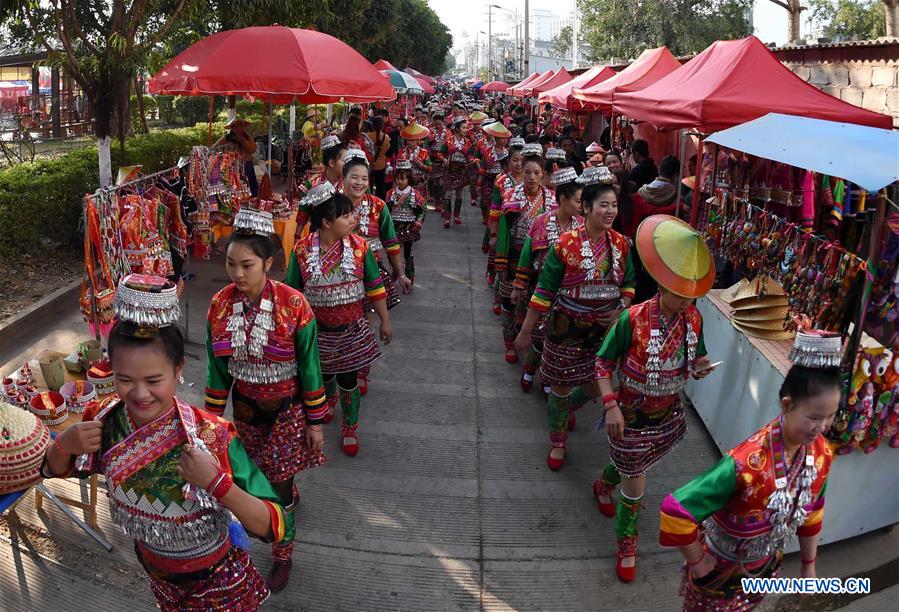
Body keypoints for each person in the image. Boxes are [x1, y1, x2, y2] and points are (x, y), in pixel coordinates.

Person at [44, 275, 286, 610]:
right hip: (156, 574)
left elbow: (275, 524)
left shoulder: (210, 436)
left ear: (178, 369)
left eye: (154, 380)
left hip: (218, 581)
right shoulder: (103, 420)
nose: (140, 394)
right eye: (124, 379)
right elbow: (53, 469)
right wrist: (63, 445)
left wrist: (217, 484)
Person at [659, 321, 839, 610]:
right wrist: (697, 560)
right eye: (814, 416)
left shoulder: (821, 455)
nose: (823, 426)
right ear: (787, 405)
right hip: (718, 574)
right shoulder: (745, 464)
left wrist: (808, 567)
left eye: (830, 416)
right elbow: (675, 511)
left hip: (764, 569)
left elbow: (812, 512)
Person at [204, 206, 327, 590]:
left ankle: (282, 553)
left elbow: (309, 366)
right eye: (230, 265)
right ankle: (286, 493)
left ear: (269, 263)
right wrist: (209, 424)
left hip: (287, 412)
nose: (238, 274)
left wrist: (316, 421)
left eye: (247, 265)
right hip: (244, 412)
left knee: (275, 488)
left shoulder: (294, 306)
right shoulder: (219, 305)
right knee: (250, 482)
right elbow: (217, 369)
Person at [593, 214, 716, 583]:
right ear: (662, 285)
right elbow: (601, 363)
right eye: (681, 294)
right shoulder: (630, 320)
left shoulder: (693, 320)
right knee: (637, 483)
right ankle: (626, 542)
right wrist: (610, 404)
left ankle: (604, 482)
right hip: (628, 416)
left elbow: (696, 358)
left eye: (692, 295)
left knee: (635, 471)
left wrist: (700, 367)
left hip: (665, 416)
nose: (686, 302)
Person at [515, 171, 635, 470]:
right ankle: (558, 441)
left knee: (597, 386)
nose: (609, 211)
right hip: (566, 326)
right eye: (603, 205)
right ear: (587, 208)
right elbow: (544, 290)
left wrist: (621, 307)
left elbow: (629, 284)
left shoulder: (621, 244)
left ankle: (567, 408)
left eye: (614, 205)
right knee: (560, 386)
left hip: (604, 331)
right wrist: (526, 331)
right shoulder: (564, 245)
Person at [286, 185, 393, 457]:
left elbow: (374, 285)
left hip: (350, 331)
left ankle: (349, 427)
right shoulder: (301, 250)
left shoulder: (360, 248)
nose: (352, 220)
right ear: (326, 222)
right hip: (316, 332)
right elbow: (292, 294)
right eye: (346, 216)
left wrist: (384, 320)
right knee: (322, 376)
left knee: (348, 379)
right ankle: (327, 401)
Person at [511, 167, 584, 395]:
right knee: (540, 336)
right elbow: (526, 256)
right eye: (578, 201)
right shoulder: (541, 222)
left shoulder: (582, 226)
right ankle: (530, 369)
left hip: (570, 295)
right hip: (541, 289)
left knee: (559, 340)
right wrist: (519, 285)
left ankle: (548, 377)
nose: (582, 206)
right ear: (563, 199)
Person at [495, 143, 557, 364]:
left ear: (544, 175)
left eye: (537, 173)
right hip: (513, 254)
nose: (531, 177)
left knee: (534, 301)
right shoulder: (512, 195)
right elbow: (503, 231)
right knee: (509, 300)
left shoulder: (551, 199)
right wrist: (500, 261)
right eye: (528, 172)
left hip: (539, 259)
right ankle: (509, 341)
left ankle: (527, 337)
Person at [386, 160, 426, 282]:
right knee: (391, 250)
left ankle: (409, 275)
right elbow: (385, 210)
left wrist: (418, 223)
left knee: (408, 252)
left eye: (403, 179)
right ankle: (396, 271)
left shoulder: (415, 194)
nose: (400, 181)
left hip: (409, 226)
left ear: (409, 179)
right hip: (394, 225)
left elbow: (423, 210)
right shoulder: (390, 193)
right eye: (398, 179)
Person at [295, 135, 347, 228]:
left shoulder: (347, 183)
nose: (348, 164)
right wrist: (297, 237)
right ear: (332, 163)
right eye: (344, 160)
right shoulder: (313, 182)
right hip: (317, 232)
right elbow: (304, 211)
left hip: (341, 233)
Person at [627, 155, 680, 237]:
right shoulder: (675, 194)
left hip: (643, 231)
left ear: (659, 169)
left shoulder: (642, 191)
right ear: (675, 174)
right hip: (663, 231)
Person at [215, 116, 258, 197]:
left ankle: (252, 199)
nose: (240, 128)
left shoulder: (247, 137)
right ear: (232, 128)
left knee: (251, 186)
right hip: (233, 167)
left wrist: (243, 141)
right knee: (237, 188)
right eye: (237, 126)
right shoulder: (227, 138)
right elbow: (215, 148)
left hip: (247, 164)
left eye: (242, 125)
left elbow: (253, 149)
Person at [443, 117, 473, 228]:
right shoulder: (448, 140)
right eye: (463, 128)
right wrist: (444, 159)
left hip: (462, 170)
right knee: (448, 193)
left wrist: (471, 160)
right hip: (450, 169)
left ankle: (457, 215)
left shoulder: (468, 142)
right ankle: (447, 217)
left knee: (459, 194)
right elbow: (441, 153)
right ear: (457, 128)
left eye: (467, 128)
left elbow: (470, 155)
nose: (466, 130)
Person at [428, 111, 449, 214]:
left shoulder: (447, 132)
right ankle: (437, 202)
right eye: (436, 123)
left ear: (443, 123)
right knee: (435, 182)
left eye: (440, 124)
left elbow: (449, 146)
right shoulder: (430, 131)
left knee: (441, 182)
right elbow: (427, 145)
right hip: (433, 159)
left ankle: (441, 201)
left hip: (443, 160)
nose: (438, 126)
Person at [367, 116, 391, 200]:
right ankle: (380, 204)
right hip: (381, 164)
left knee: (368, 186)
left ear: (372, 125)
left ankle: (368, 201)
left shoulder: (367, 136)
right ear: (382, 126)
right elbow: (387, 149)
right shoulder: (386, 137)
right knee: (380, 187)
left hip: (369, 164)